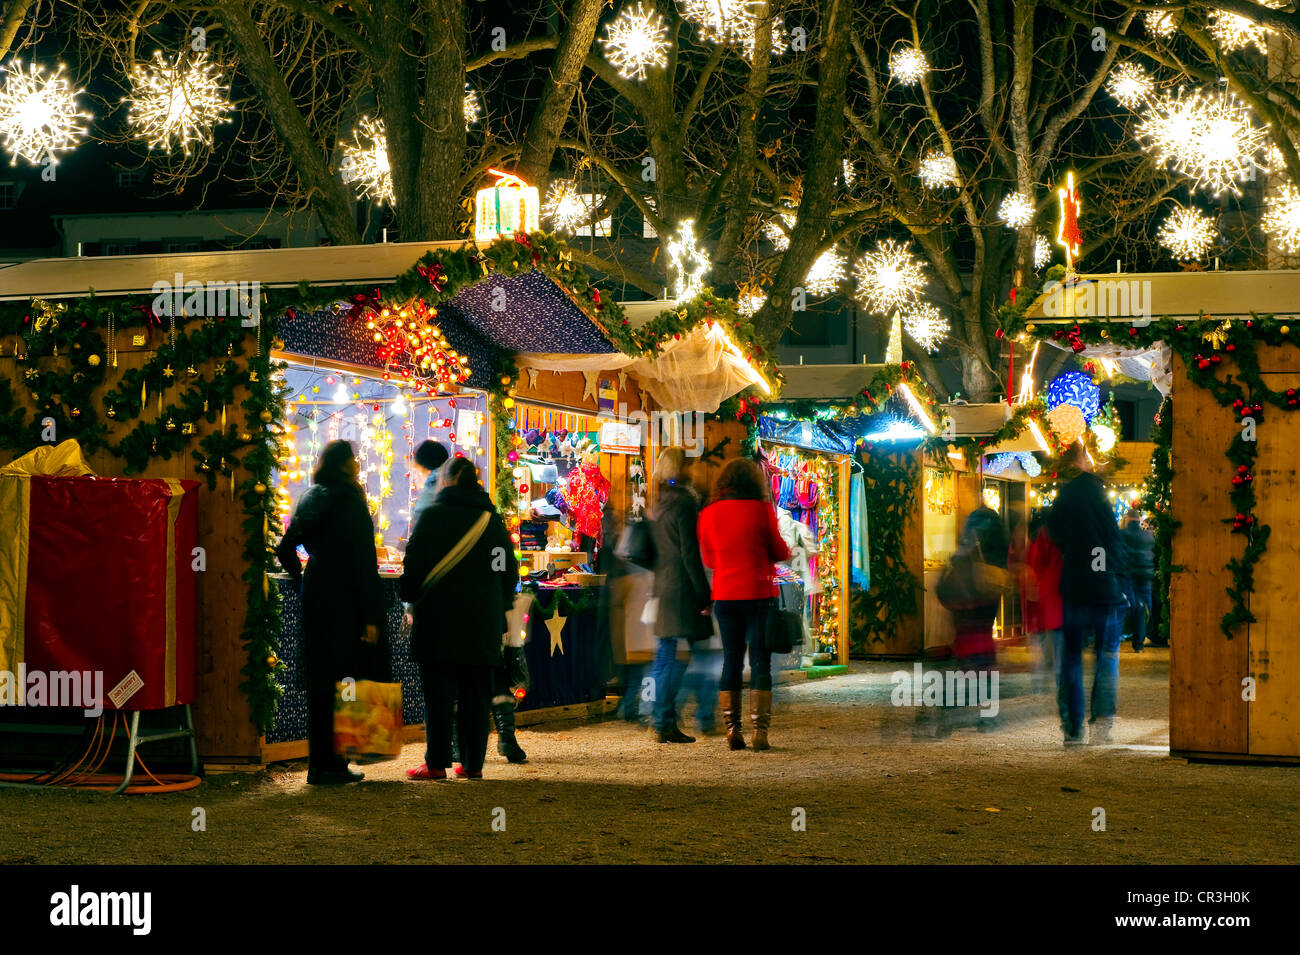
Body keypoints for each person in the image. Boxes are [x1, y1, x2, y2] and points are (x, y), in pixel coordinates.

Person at [275, 440, 385, 785]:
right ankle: (335, 763)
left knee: (320, 684)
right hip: (347, 600)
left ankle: (318, 765)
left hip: (318, 594)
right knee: (346, 682)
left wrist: (302, 580)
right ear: (347, 465)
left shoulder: (311, 496)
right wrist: (370, 615)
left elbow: (284, 547)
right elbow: (364, 561)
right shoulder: (350, 500)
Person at [400, 456, 518, 780]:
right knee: (476, 696)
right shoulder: (491, 521)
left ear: (447, 481)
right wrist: (498, 603)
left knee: (438, 696)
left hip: (438, 621)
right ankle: (472, 764)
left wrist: (410, 594)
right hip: (482, 623)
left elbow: (414, 568)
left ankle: (436, 763)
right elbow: (505, 570)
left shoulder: (432, 517)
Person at [697, 457, 791, 751]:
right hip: (759, 594)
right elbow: (779, 550)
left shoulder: (709, 514)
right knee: (761, 661)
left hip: (725, 595)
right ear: (753, 481)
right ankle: (759, 731)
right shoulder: (761, 510)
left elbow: (710, 559)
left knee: (732, 660)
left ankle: (731, 729)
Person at [1047, 441, 1131, 746]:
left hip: (1074, 584)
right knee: (1106, 656)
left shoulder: (1065, 496)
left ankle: (1072, 727)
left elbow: (1053, 531)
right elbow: (1113, 541)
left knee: (1071, 657)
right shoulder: (1102, 496)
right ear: (1087, 461)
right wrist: (1119, 579)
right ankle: (1102, 720)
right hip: (1105, 587)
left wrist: (1074, 552)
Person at [646, 447, 713, 744]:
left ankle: (662, 719)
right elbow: (689, 553)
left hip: (663, 585)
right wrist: (703, 593)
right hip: (680, 589)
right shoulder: (684, 502)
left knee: (665, 655)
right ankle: (664, 719)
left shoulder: (659, 502)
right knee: (677, 658)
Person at [1025, 509, 1064, 694]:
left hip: (1047, 596)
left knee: (1047, 644)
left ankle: (1044, 681)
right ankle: (1059, 682)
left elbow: (1035, 564)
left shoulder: (1042, 537)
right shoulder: (1070, 533)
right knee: (1058, 646)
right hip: (1061, 598)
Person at [1121, 508, 1155, 653]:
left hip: (1128, 576)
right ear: (1139, 519)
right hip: (1145, 576)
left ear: (1127, 519)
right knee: (1144, 609)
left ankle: (1121, 637)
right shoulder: (1148, 536)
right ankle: (1139, 643)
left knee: (1131, 607)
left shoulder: (1121, 535)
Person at [409, 439, 450, 533]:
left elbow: (420, 535)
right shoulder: (452, 484)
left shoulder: (429, 496)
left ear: (426, 469)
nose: (414, 478)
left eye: (416, 471)